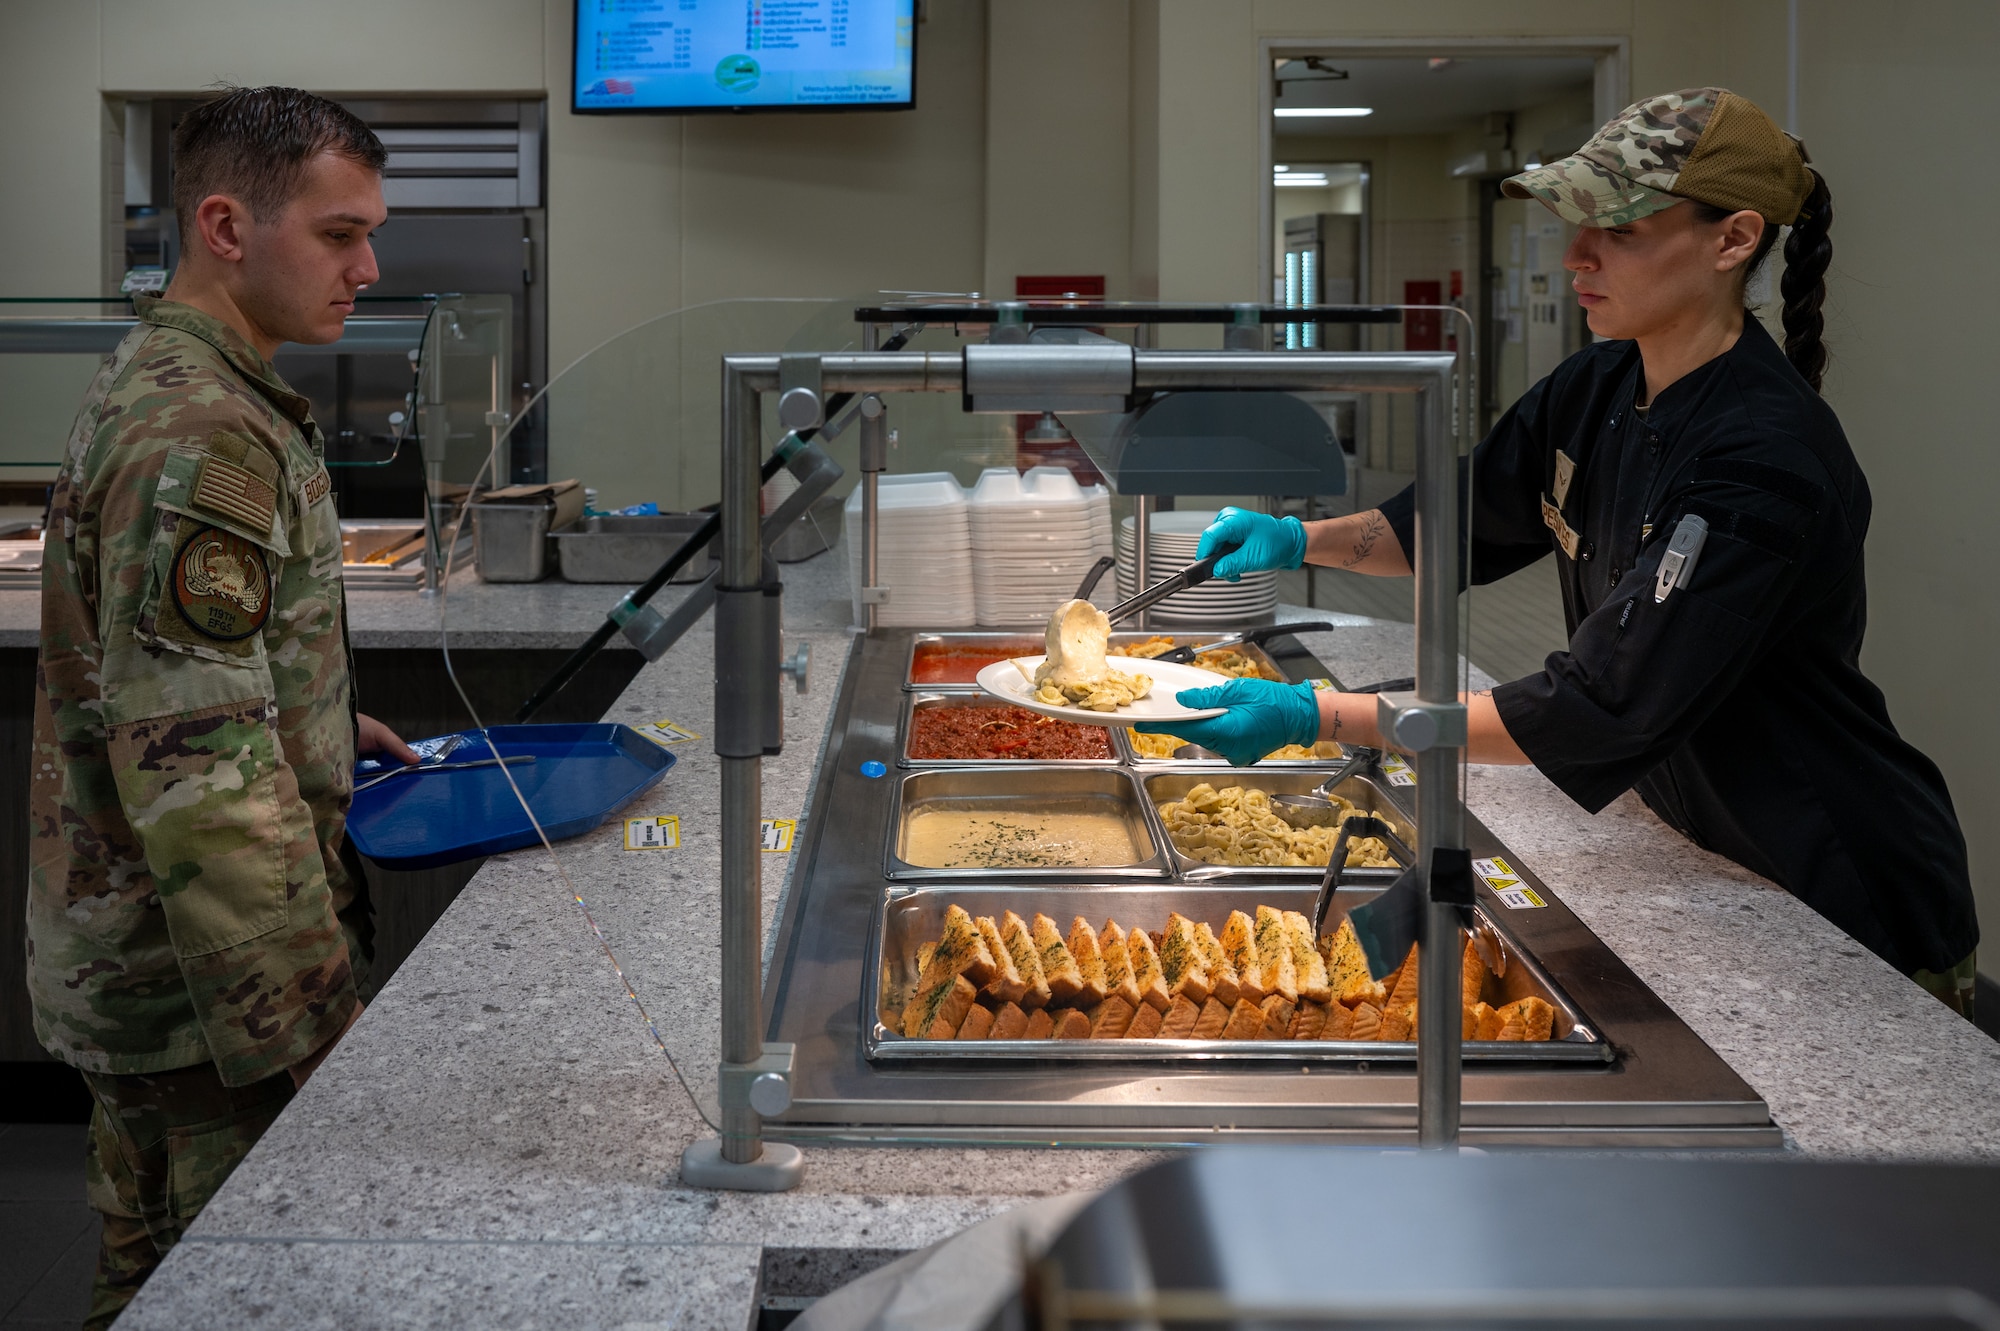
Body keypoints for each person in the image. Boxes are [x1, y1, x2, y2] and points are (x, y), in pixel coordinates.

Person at [1139, 88, 1978, 1015]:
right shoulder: (1602, 380)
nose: (1575, 255)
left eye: (1618, 229)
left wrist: (1321, 715)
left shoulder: (1763, 458)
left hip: (1833, 883)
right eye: (1577, 223)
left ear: (1734, 239)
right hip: (1699, 853)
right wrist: (1296, 540)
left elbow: (1597, 706)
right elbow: (1449, 525)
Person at [28, 86, 421, 1328]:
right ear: (225, 225)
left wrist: (312, 724)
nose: (368, 267)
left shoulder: (186, 380)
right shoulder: (205, 431)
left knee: (154, 1273)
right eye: (340, 233)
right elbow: (198, 773)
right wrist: (311, 1031)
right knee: (229, 1293)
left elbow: (178, 684)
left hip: (156, 965)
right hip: (204, 993)